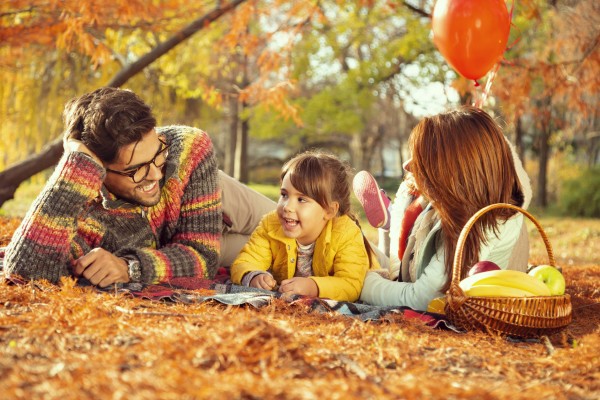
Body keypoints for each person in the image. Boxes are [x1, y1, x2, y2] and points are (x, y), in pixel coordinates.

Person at [3, 87, 275, 287]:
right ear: (98, 167)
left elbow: (200, 255)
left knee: (300, 228)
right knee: (285, 255)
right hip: (183, 243)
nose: (156, 174)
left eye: (158, 154)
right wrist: (76, 163)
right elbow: (24, 272)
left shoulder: (185, 149)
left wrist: (128, 267)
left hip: (203, 197)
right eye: (136, 170)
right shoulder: (85, 211)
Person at [354, 106, 532, 311]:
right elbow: (408, 268)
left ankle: (386, 226)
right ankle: (387, 224)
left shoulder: (485, 222)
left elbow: (421, 299)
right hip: (409, 272)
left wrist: (358, 282)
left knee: (357, 264)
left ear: (455, 168)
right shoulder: (456, 205)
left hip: (437, 301)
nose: (407, 165)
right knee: (351, 244)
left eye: (424, 157)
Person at [230, 150, 380, 302]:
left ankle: (386, 226)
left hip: (370, 267)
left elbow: (350, 284)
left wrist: (312, 287)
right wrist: (253, 275)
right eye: (284, 195)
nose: (287, 206)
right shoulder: (271, 224)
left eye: (301, 199)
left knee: (384, 276)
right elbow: (245, 261)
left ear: (328, 210)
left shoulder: (346, 233)